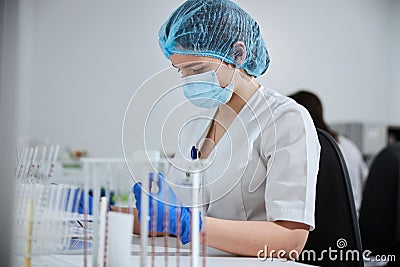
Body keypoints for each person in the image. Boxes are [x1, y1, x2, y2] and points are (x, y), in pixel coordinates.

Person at [133, 0, 321, 258]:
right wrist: (97, 212)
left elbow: (290, 241)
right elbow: (167, 221)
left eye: (196, 69)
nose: (189, 81)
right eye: (181, 72)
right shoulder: (195, 128)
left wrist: (192, 225)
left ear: (237, 54)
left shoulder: (285, 119)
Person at [288, 90, 368, 215]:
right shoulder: (348, 145)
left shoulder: (305, 146)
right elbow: (366, 184)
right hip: (355, 223)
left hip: (326, 222)